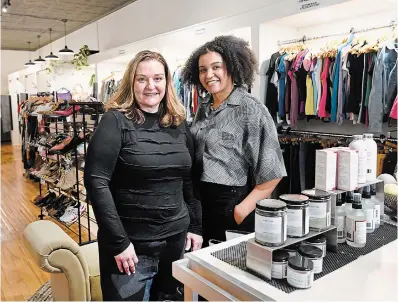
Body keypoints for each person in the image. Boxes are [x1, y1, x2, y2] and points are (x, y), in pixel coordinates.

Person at [84, 50, 203, 301]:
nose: (151, 86)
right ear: (131, 82)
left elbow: (188, 180)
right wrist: (119, 243)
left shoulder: (178, 122)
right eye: (142, 79)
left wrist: (195, 226)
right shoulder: (114, 121)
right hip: (131, 249)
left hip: (176, 243)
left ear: (167, 83)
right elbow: (96, 182)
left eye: (158, 78)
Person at [181, 35, 287, 246]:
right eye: (203, 69)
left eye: (216, 67)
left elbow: (273, 173)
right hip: (200, 206)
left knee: (229, 271)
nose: (208, 75)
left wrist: (241, 210)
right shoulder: (203, 107)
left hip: (231, 205)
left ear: (231, 67)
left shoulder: (251, 110)